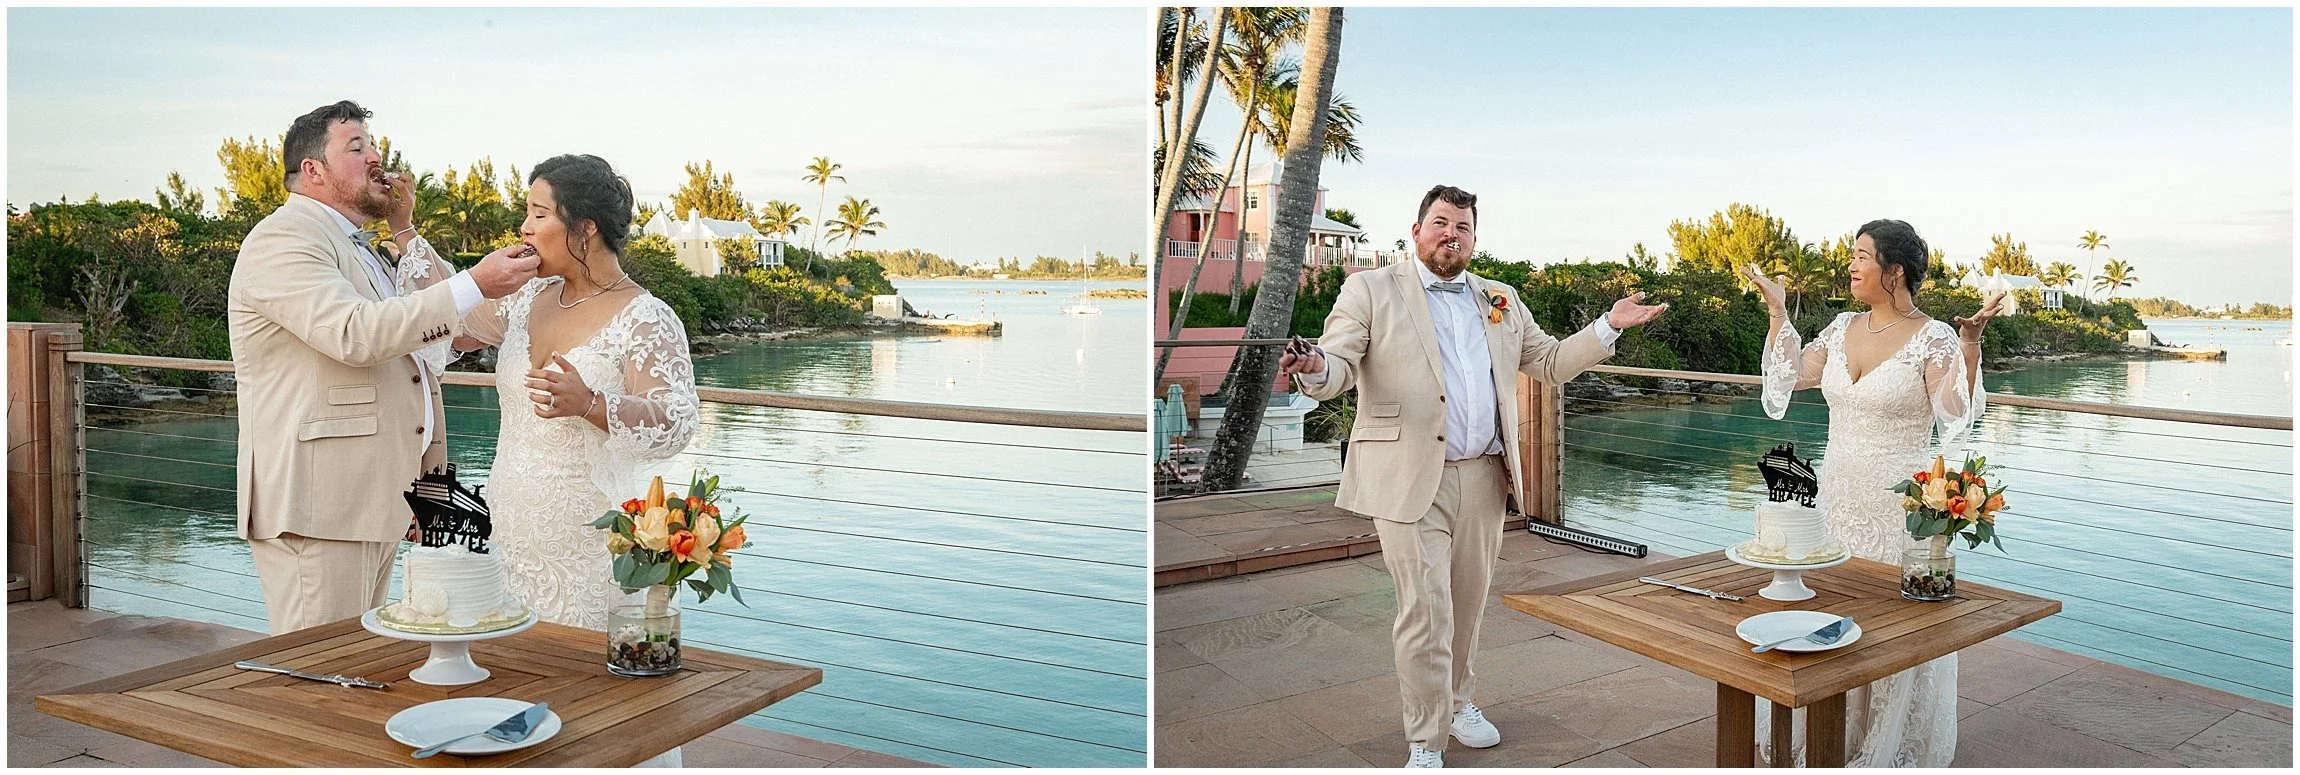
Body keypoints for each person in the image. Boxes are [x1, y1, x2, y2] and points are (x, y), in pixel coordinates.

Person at [1284, 185, 1667, 768]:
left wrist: (1608, 326)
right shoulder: (1371, 290)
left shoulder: (1499, 298)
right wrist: (1313, 366)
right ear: (1416, 231)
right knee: (1425, 609)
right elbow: (1337, 362)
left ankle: (1460, 700)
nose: (1450, 235)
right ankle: (1425, 739)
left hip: (1486, 476)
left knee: (1466, 603)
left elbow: (1549, 362)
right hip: (1411, 477)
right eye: (1439, 223)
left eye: (1461, 227)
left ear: (1474, 239)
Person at [227, 100, 539, 635]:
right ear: (312, 171)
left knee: (358, 667)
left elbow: (418, 351)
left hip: (370, 501)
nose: (377, 157)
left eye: (374, 144)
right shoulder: (283, 238)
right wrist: (473, 284)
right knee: (319, 671)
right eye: (357, 147)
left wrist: (426, 487)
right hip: (319, 506)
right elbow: (357, 334)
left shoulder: (358, 245)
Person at [1742, 219, 2002, 766]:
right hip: (1835, 494)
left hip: (1896, 506)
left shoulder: (1933, 336)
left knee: (1890, 621)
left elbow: (1956, 414)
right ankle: (1826, 732)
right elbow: (1791, 377)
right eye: (1852, 256)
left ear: (1895, 270)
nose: (1852, 266)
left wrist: (1970, 344)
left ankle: (1883, 742)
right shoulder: (1839, 328)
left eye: (1862, 256)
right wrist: (1777, 312)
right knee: (1829, 607)